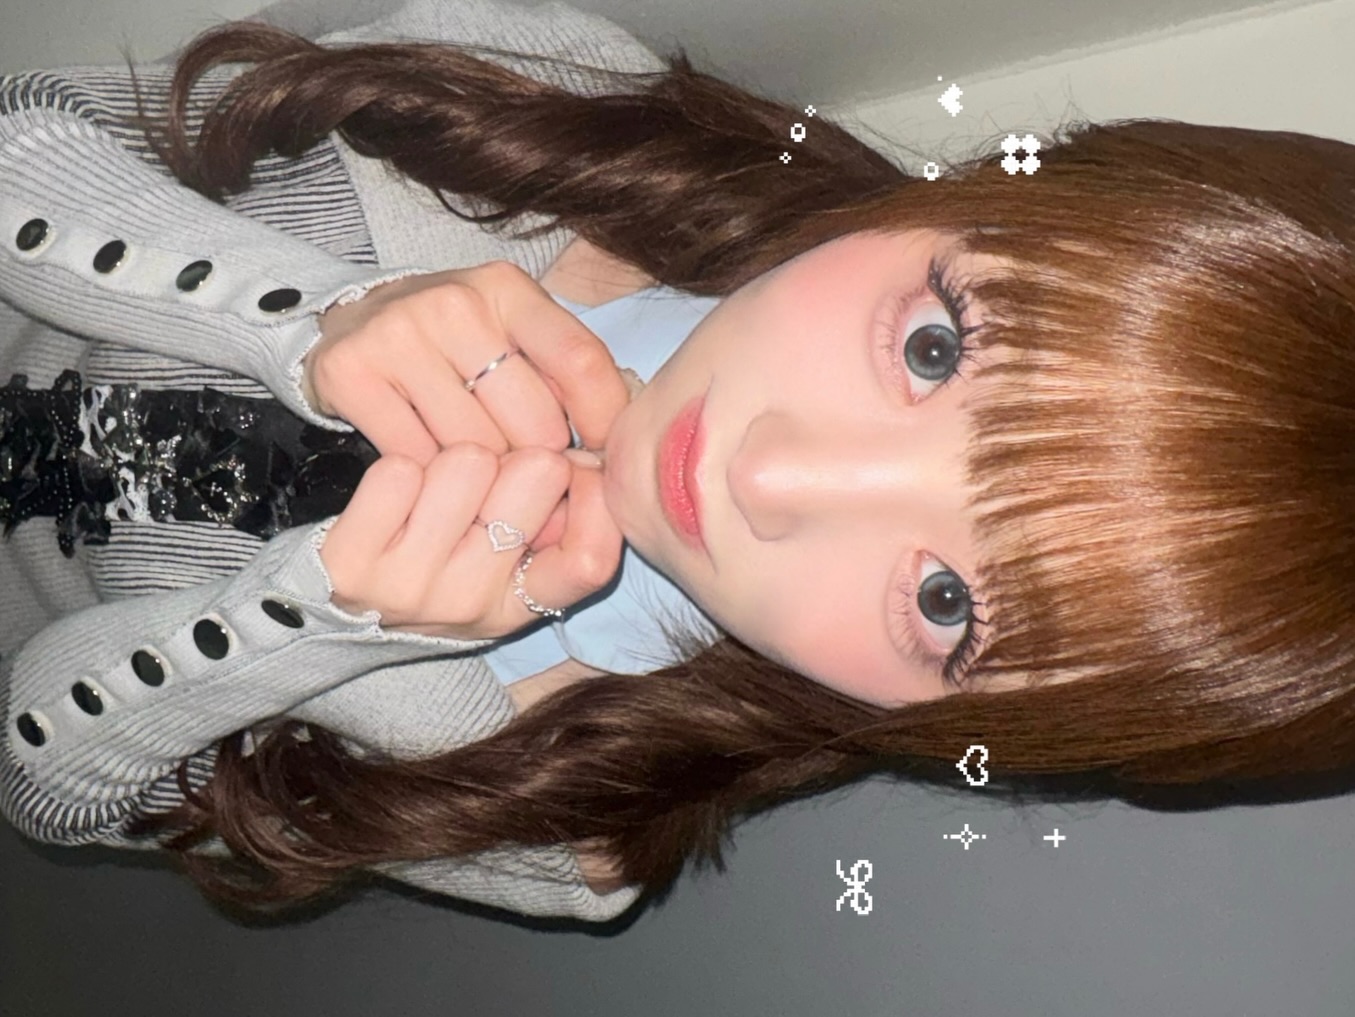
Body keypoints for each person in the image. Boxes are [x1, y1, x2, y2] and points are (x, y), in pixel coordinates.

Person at [4, 0, 1355, 924]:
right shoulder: (567, 103)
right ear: (975, 193)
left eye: (950, 602)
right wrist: (299, 322)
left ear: (952, 730)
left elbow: (51, 788)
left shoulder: (576, 822)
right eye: (936, 348)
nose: (772, 481)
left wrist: (318, 622)